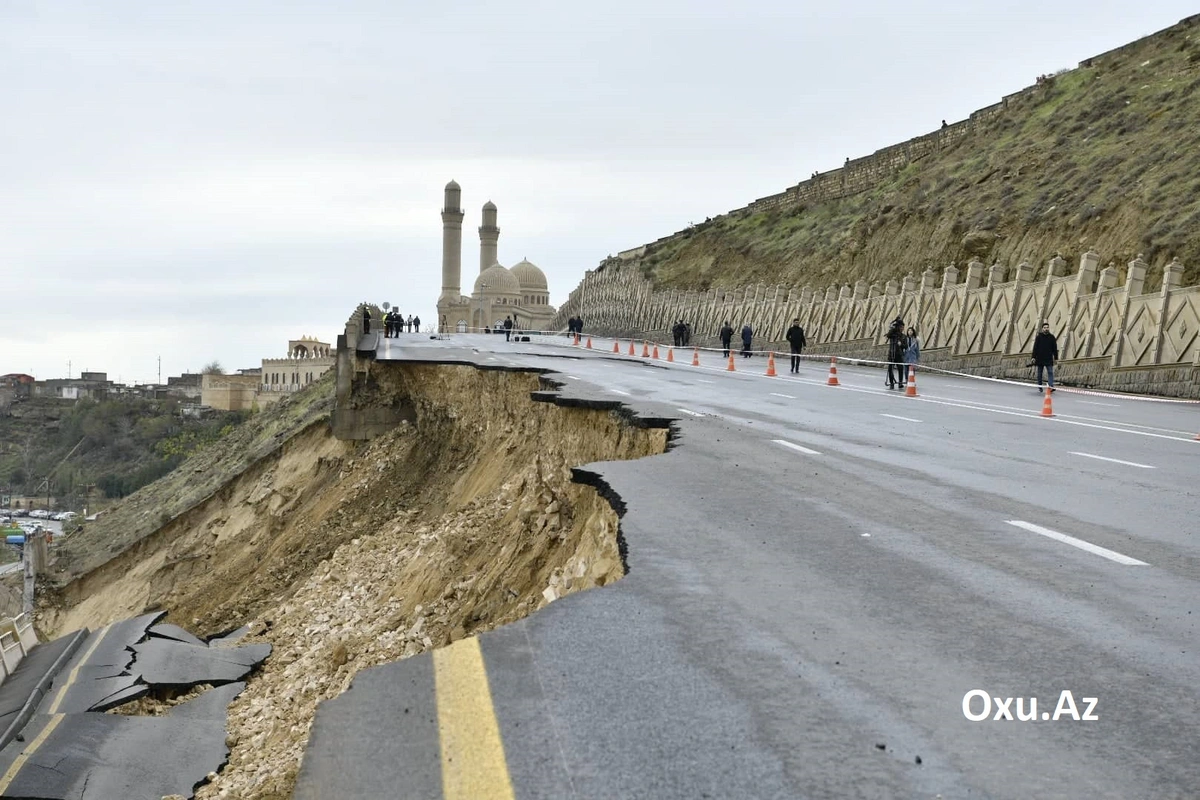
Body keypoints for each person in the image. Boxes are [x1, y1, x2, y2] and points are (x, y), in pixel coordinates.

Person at [1032, 321, 1058, 392]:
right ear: (1042, 329)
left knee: (1050, 372)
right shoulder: (1039, 337)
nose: (1046, 329)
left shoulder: (1052, 337)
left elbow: (1054, 348)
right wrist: (1033, 357)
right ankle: (1040, 386)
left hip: (1048, 358)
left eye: (1047, 327)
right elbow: (1035, 348)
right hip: (1040, 358)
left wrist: (1056, 358)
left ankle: (1050, 386)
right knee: (1039, 373)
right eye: (1044, 328)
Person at [885, 317, 907, 389]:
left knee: (900, 369)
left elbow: (906, 346)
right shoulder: (892, 334)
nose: (902, 328)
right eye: (900, 327)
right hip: (892, 353)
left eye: (903, 327)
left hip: (899, 355)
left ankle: (900, 383)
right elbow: (888, 335)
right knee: (890, 369)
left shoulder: (903, 336)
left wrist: (901, 344)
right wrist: (893, 327)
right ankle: (892, 383)